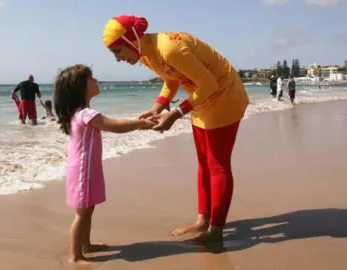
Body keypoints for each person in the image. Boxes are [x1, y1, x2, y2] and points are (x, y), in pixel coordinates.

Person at [102, 15, 249, 242]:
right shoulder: (148, 54)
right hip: (202, 101)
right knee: (203, 164)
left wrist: (177, 112)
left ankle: (216, 230)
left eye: (118, 52)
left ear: (131, 40)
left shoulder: (169, 48)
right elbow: (171, 79)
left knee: (217, 164)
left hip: (224, 97)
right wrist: (157, 107)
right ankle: (203, 221)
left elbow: (210, 83)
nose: (118, 60)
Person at [53, 64, 157, 263]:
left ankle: (86, 245)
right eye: (91, 78)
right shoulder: (86, 114)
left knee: (88, 209)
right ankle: (75, 256)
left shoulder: (80, 113)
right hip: (84, 171)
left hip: (85, 169)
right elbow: (114, 126)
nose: (96, 80)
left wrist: (140, 123)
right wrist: (142, 123)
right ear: (80, 87)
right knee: (82, 213)